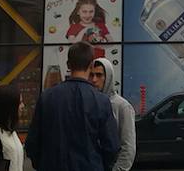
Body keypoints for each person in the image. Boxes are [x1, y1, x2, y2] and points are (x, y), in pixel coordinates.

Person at [25, 41, 119, 171]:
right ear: (91, 65)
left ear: (68, 64)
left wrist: (42, 164)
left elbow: (32, 143)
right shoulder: (101, 101)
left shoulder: (47, 97)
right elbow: (111, 146)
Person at [90, 57, 136, 171]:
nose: (94, 80)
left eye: (99, 75)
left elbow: (128, 146)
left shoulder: (122, 106)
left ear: (108, 77)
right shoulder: (89, 103)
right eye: (91, 75)